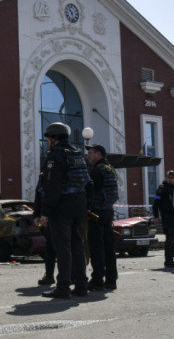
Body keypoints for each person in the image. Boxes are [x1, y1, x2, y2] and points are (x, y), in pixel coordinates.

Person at [37, 122, 90, 298]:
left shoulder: (56, 156)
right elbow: (87, 182)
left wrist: (45, 212)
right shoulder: (78, 154)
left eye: (49, 139)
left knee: (63, 248)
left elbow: (52, 186)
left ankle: (63, 287)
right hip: (79, 205)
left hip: (62, 207)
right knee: (78, 246)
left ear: (55, 139)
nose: (47, 142)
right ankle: (81, 285)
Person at [85, 144, 118, 291]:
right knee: (109, 247)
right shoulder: (109, 169)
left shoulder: (97, 170)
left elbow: (90, 191)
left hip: (96, 212)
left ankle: (97, 279)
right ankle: (111, 279)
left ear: (99, 154)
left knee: (96, 247)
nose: (88, 155)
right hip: (108, 211)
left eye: (91, 153)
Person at [33, 171, 56, 286]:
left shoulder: (56, 172)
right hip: (49, 217)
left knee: (60, 248)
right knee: (51, 248)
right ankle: (51, 275)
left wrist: (43, 214)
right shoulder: (43, 175)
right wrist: (37, 214)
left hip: (57, 217)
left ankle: (66, 277)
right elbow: (38, 195)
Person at [153, 170, 174, 268]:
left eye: (172, 178)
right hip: (167, 216)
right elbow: (155, 203)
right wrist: (156, 216)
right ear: (166, 178)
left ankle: (171, 259)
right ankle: (168, 260)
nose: (170, 179)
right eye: (169, 177)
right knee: (170, 238)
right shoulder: (162, 189)